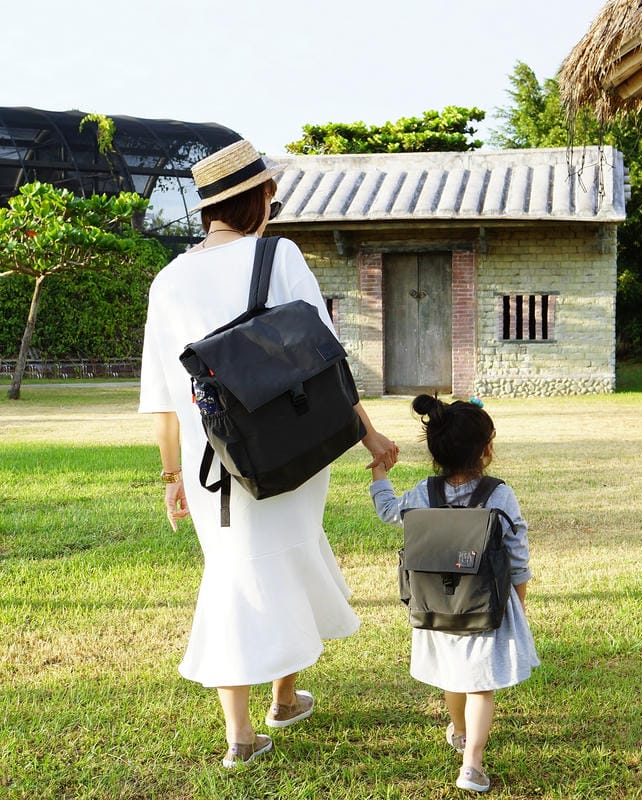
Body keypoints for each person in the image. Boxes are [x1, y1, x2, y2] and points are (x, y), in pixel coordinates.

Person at [138, 139, 400, 768]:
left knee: (236, 571)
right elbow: (325, 361)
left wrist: (172, 475)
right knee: (290, 558)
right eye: (270, 197)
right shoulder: (277, 255)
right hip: (292, 446)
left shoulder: (168, 280)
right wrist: (369, 434)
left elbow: (162, 398)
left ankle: (257, 721)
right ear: (258, 200)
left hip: (214, 467)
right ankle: (259, 719)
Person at [369, 395, 538, 793]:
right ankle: (472, 764)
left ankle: (460, 731)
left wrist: (379, 473)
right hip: (487, 605)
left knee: (453, 675)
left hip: (435, 606)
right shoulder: (500, 495)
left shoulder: (424, 493)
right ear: (487, 449)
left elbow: (389, 511)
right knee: (481, 685)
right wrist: (520, 600)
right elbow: (517, 555)